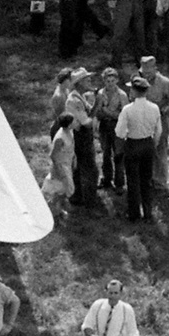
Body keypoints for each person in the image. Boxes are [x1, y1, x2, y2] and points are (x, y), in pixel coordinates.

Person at [119, 75, 162, 223]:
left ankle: (134, 213)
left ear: (134, 91)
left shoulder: (127, 109)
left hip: (132, 143)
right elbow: (159, 130)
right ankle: (148, 212)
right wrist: (153, 143)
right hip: (148, 143)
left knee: (132, 179)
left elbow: (119, 131)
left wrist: (126, 135)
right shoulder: (154, 108)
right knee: (146, 179)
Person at [138, 56, 169, 194]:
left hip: (159, 121)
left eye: (149, 72)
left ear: (155, 69)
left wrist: (167, 109)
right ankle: (147, 179)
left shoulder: (165, 83)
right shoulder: (138, 81)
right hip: (142, 121)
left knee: (160, 151)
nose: (146, 75)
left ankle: (160, 183)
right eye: (144, 72)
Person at [64, 70, 99, 210]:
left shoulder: (80, 97)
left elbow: (90, 112)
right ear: (79, 83)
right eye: (86, 79)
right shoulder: (74, 100)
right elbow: (87, 122)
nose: (90, 81)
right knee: (90, 169)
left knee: (79, 168)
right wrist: (99, 103)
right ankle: (89, 200)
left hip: (83, 136)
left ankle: (77, 196)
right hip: (81, 136)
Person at [93, 68, 128, 194]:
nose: (110, 84)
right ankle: (107, 179)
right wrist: (96, 124)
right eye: (108, 81)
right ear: (104, 81)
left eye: (113, 81)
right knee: (105, 153)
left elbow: (124, 114)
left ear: (117, 80)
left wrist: (108, 112)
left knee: (118, 154)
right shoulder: (100, 94)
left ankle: (119, 183)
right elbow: (97, 110)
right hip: (104, 125)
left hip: (117, 126)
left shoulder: (122, 95)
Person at [41, 114, 77, 222]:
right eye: (74, 121)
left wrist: (74, 159)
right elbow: (53, 155)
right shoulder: (60, 138)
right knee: (62, 189)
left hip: (67, 163)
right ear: (69, 124)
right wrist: (59, 170)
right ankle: (49, 212)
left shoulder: (70, 132)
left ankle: (58, 210)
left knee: (63, 190)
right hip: (61, 166)